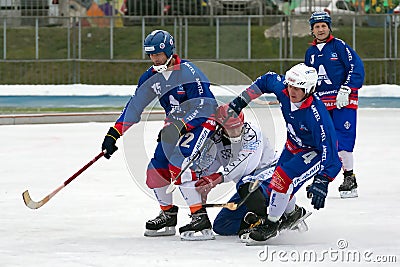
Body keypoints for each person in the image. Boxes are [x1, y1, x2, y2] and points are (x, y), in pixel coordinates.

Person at [100, 30, 218, 240]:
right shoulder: (150, 77)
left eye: (158, 54)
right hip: (173, 128)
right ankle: (168, 214)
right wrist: (114, 133)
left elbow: (206, 106)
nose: (155, 59)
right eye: (151, 55)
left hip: (200, 125)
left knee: (179, 165)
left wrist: (181, 125)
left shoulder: (190, 73)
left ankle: (199, 217)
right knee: (155, 170)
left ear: (169, 51)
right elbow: (135, 107)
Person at [223, 63, 342, 243]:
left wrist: (323, 179)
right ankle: (292, 214)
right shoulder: (284, 91)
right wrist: (241, 101)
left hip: (313, 152)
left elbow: (331, 154)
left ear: (309, 89)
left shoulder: (317, 117)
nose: (292, 91)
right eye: (290, 86)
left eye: (298, 88)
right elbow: (267, 79)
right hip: (292, 146)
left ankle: (271, 224)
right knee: (277, 186)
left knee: (283, 177)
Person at [193, 105, 310, 239]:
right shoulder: (215, 141)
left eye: (239, 126)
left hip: (269, 175)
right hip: (247, 188)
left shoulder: (253, 132)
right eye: (231, 128)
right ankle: (258, 223)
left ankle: (269, 220)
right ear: (221, 127)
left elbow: (247, 164)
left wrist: (219, 177)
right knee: (222, 225)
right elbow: (207, 167)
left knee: (245, 182)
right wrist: (203, 183)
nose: (237, 132)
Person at [305, 11, 365, 198]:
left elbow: (356, 67)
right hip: (323, 103)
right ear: (312, 30)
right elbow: (309, 78)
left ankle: (349, 177)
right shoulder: (311, 53)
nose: (321, 29)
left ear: (329, 27)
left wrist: (346, 89)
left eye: (324, 25)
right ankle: (321, 179)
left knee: (343, 140)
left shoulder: (339, 46)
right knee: (323, 141)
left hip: (343, 102)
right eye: (317, 26)